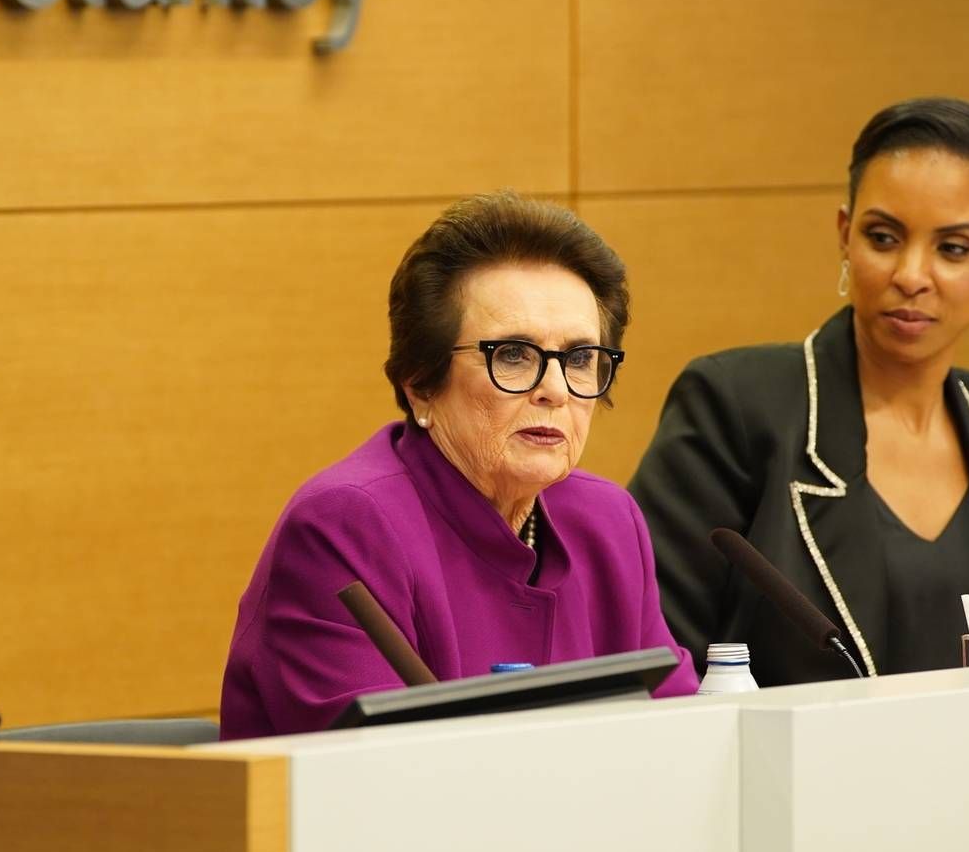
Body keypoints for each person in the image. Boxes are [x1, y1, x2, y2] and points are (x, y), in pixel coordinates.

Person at [630, 97, 969, 685]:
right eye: (883, 237)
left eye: (953, 249)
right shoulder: (737, 408)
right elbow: (651, 653)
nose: (911, 275)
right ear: (845, 235)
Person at [221, 191, 698, 737]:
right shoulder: (344, 528)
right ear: (421, 384)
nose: (554, 389)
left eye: (580, 359)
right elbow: (370, 787)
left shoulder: (608, 521)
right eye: (513, 355)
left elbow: (681, 733)